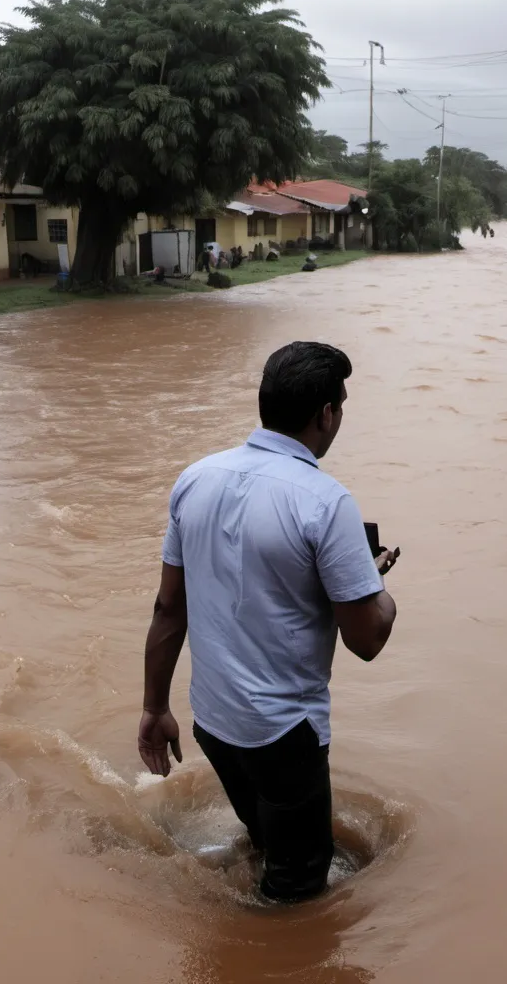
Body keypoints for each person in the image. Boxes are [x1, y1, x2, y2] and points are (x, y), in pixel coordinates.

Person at [138, 342, 400, 903]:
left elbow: (168, 608)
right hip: (283, 733)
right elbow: (367, 638)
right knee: (299, 893)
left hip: (211, 720)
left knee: (265, 841)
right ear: (325, 414)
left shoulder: (195, 478)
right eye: (342, 407)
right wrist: (373, 584)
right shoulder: (326, 504)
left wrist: (155, 707)